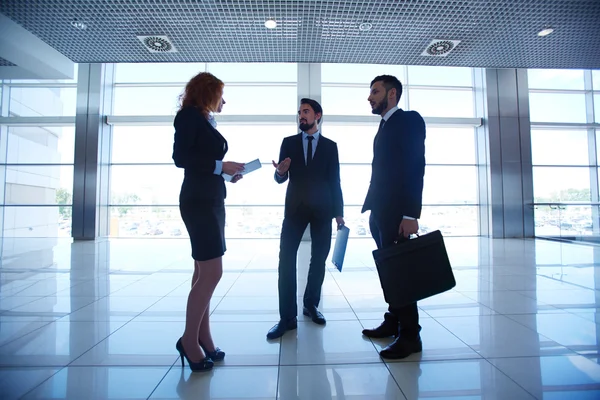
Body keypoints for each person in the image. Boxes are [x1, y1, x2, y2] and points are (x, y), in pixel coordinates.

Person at [172, 72, 245, 372]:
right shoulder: (189, 118)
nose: (223, 101)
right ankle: (189, 341)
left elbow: (202, 162)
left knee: (202, 271)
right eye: (220, 94)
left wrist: (226, 173)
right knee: (212, 272)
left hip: (209, 199)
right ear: (208, 93)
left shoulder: (203, 120)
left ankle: (204, 337)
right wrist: (220, 165)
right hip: (200, 202)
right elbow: (180, 157)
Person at [267, 98, 345, 340]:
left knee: (318, 260)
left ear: (317, 115)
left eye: (306, 112)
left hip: (323, 210)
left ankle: (310, 305)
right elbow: (280, 177)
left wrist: (339, 214)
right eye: (299, 112)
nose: (301, 116)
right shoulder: (288, 143)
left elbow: (335, 181)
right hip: (295, 210)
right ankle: (286, 318)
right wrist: (279, 172)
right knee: (286, 261)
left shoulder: (331, 147)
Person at [361, 75, 426, 359]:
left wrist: (411, 213)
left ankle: (410, 335)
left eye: (375, 91)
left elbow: (415, 167)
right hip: (380, 211)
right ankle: (394, 320)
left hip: (399, 212)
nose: (369, 97)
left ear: (392, 94)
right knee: (390, 270)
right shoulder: (384, 126)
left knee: (401, 273)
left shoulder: (409, 120)